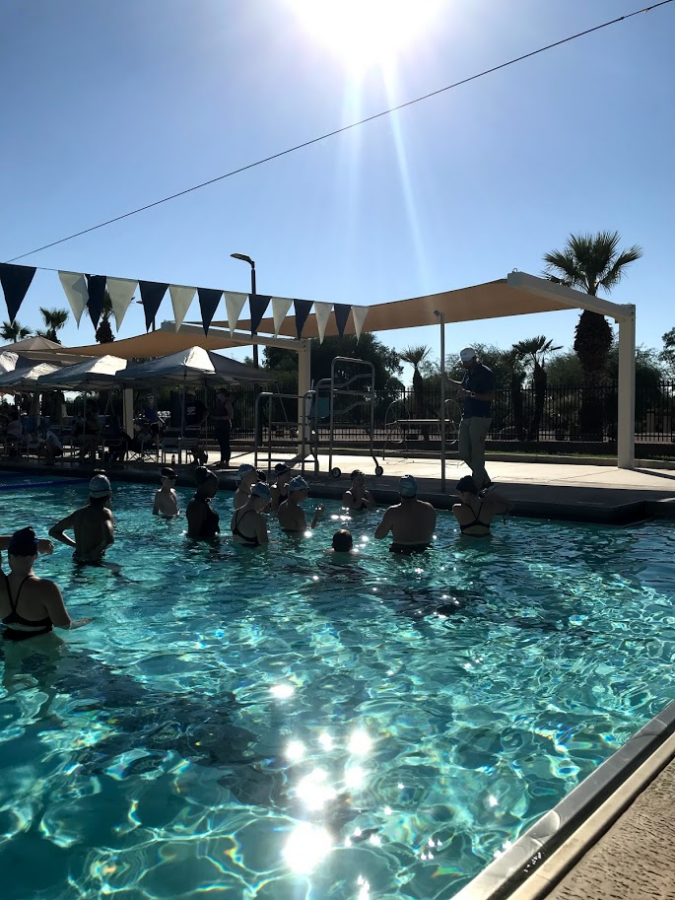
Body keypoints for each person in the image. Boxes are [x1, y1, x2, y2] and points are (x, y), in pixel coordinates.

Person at [0, 527, 92, 641]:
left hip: (9, 643)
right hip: (44, 645)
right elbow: (65, 626)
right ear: (35, 556)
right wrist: (88, 621)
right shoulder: (46, 588)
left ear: (8, 555)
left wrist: (36, 542)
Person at [449, 347, 495, 492]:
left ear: (474, 359)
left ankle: (477, 485)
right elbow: (462, 387)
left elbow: (491, 396)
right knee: (463, 451)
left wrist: (470, 394)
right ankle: (485, 480)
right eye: (463, 361)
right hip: (467, 415)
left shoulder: (485, 373)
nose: (464, 364)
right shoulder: (468, 373)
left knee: (477, 453)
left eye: (466, 361)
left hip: (480, 417)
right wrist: (446, 380)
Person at [49, 474, 115, 564]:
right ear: (109, 494)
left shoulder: (78, 513)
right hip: (94, 562)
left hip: (77, 558)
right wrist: (93, 554)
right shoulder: (105, 514)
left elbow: (53, 531)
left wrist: (76, 545)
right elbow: (109, 540)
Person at [374, 474, 436, 554]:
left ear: (399, 490)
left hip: (401, 551)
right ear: (416, 488)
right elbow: (432, 530)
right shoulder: (429, 508)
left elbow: (378, 536)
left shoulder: (393, 512)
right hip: (425, 550)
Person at [231, 482, 270, 547]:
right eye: (266, 503)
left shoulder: (236, 514)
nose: (264, 507)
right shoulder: (258, 519)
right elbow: (265, 547)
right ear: (262, 499)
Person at [185, 467, 220, 539]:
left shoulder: (204, 502)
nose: (216, 488)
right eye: (214, 485)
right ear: (202, 485)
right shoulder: (196, 505)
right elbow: (193, 537)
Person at [184, 391, 208, 465]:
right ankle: (196, 459)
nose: (189, 397)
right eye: (188, 396)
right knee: (191, 443)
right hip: (189, 426)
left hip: (197, 425)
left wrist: (201, 422)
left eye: (190, 396)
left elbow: (206, 412)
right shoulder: (186, 404)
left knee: (195, 442)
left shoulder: (198, 403)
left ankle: (201, 456)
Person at [212, 390, 234, 468]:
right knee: (221, 444)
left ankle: (226, 461)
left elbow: (230, 416)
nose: (218, 395)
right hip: (219, 426)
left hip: (225, 426)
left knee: (225, 444)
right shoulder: (219, 403)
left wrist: (219, 418)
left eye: (220, 393)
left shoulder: (227, 403)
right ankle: (222, 460)